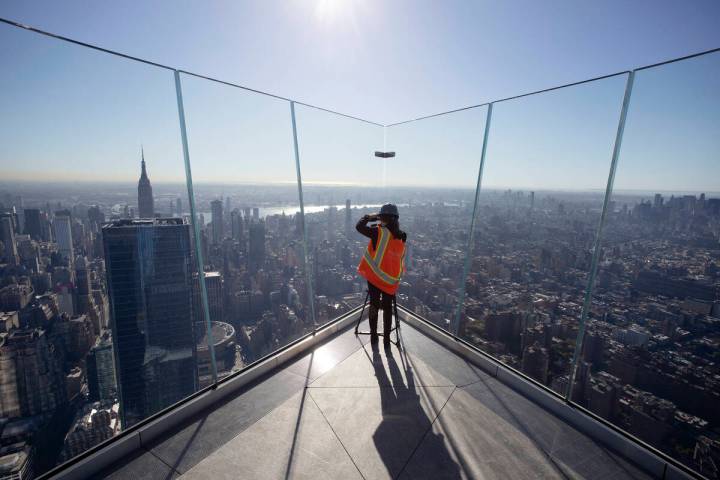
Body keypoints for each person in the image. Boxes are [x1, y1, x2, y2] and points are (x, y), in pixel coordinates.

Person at [356, 203, 407, 346]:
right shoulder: (402, 236)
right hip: (391, 280)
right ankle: (386, 339)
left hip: (375, 277)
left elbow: (359, 227)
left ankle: (374, 336)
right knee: (387, 308)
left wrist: (370, 217)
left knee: (374, 305)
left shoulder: (378, 232)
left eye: (381, 217)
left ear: (383, 217)